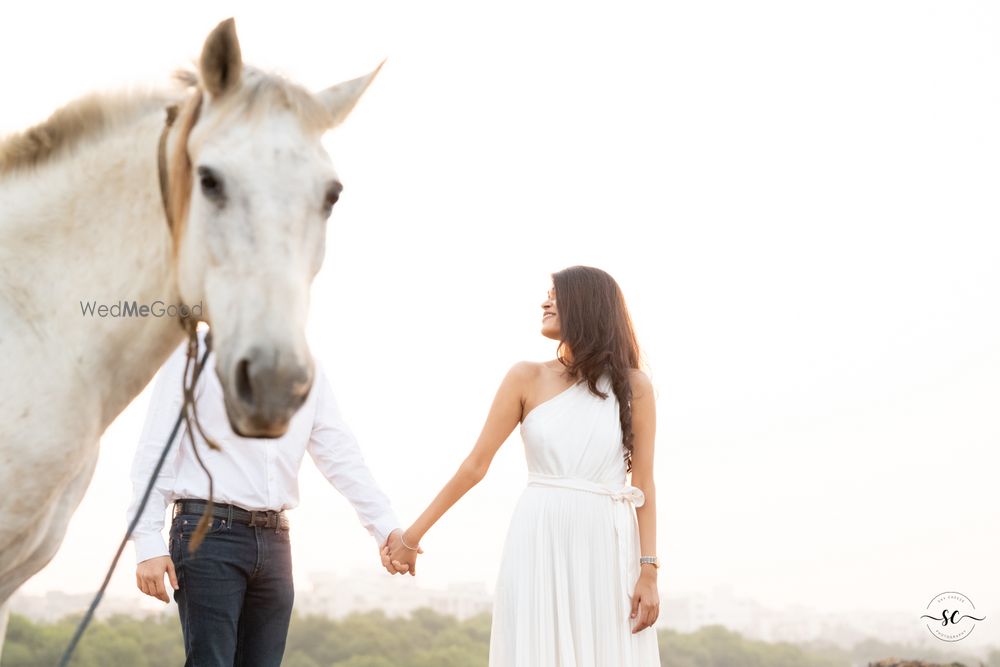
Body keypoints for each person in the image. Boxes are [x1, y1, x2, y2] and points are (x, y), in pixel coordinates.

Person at [384, 265, 661, 665]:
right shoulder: (525, 377)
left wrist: (648, 571)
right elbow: (475, 466)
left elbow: (644, 484)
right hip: (538, 537)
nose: (545, 302)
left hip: (607, 543)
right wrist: (411, 537)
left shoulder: (635, 386)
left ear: (586, 305)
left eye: (556, 294)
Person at [127, 328, 417, 666]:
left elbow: (340, 454)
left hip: (275, 540)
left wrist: (386, 528)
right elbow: (155, 450)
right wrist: (147, 540)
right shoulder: (192, 355)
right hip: (206, 536)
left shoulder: (306, 367)